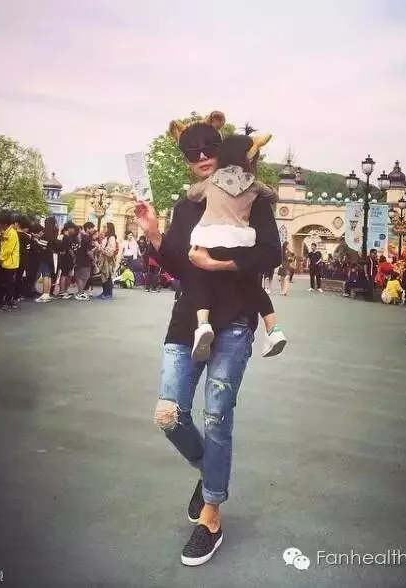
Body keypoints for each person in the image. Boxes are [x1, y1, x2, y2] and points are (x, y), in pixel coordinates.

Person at [135, 111, 281, 566]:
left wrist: (221, 265)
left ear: (223, 150)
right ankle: (209, 469)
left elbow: (271, 253)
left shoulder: (251, 196)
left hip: (234, 319)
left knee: (216, 415)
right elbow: (180, 266)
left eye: (208, 149)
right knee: (169, 415)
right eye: (191, 153)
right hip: (188, 321)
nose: (201, 158)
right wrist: (153, 233)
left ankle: (212, 516)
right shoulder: (186, 205)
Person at [185, 134, 287, 361]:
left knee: (201, 276)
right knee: (251, 284)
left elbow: (192, 194)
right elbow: (273, 195)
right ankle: (274, 329)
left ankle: (203, 325)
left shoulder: (212, 181)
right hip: (240, 240)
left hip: (210, 237)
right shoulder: (253, 185)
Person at [0, 213, 20, 311]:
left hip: (10, 264)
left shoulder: (12, 233)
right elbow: (2, 247)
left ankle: (8, 303)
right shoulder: (4, 232)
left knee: (8, 284)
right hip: (3, 262)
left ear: (4, 224)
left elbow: (8, 250)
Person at [35, 217, 59, 303]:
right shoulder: (54, 232)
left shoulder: (46, 234)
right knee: (48, 276)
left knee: (45, 275)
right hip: (52, 256)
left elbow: (43, 244)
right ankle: (47, 294)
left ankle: (44, 294)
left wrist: (36, 239)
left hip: (45, 256)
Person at [74, 222, 96, 300]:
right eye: (92, 228)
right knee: (83, 277)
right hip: (85, 260)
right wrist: (93, 260)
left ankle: (80, 292)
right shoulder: (87, 238)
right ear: (88, 229)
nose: (93, 230)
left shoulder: (81, 237)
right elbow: (88, 251)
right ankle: (80, 293)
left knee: (82, 276)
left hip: (80, 259)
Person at [97, 222, 118, 299]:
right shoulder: (106, 237)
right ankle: (105, 292)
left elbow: (111, 251)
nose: (103, 229)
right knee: (104, 276)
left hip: (108, 260)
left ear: (109, 228)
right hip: (104, 260)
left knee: (107, 276)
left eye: (105, 227)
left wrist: (100, 248)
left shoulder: (111, 238)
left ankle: (108, 293)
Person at [57, 221, 77, 299]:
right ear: (69, 228)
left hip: (64, 258)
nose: (74, 230)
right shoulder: (66, 238)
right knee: (64, 274)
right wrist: (74, 257)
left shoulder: (62, 237)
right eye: (73, 228)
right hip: (67, 259)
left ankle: (63, 291)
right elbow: (69, 249)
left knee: (65, 274)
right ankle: (62, 291)